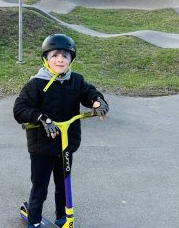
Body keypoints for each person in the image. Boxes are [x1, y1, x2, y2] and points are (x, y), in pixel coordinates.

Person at [13, 34, 109, 228]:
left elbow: (88, 93)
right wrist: (41, 118)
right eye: (55, 55)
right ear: (46, 59)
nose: (60, 60)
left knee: (63, 185)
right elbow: (20, 109)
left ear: (71, 60)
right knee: (40, 188)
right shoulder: (36, 84)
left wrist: (97, 101)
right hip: (42, 146)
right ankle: (34, 221)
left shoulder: (76, 80)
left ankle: (62, 217)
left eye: (65, 56)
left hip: (66, 144)